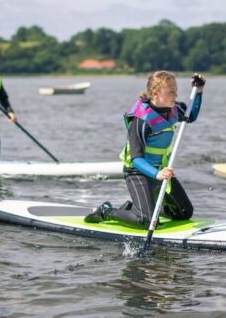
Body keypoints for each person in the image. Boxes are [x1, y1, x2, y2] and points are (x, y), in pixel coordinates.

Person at [84, 71, 206, 229]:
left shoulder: (173, 109)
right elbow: (136, 158)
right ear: (155, 93)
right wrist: (158, 174)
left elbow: (191, 115)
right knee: (146, 221)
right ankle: (107, 211)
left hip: (160, 170)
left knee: (184, 212)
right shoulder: (140, 119)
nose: (175, 95)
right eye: (171, 92)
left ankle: (139, 209)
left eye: (175, 90)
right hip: (137, 172)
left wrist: (199, 90)